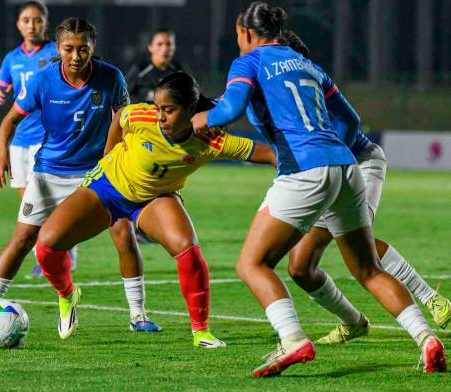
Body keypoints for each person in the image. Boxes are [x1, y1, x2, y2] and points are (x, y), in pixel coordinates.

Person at [191, 1, 446, 376]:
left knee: (252, 264)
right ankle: (427, 339)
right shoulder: (307, 64)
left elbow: (230, 110)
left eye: (237, 35)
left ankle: (293, 339)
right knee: (368, 269)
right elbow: (352, 120)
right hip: (345, 166)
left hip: (304, 170)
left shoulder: (248, 61)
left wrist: (201, 119)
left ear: (245, 32)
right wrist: (328, 150)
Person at [28, 72, 277, 347]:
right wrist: (108, 155)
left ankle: (201, 332)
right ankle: (67, 294)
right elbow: (119, 117)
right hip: (107, 188)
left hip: (155, 198)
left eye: (169, 110)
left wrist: (299, 173)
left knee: (187, 250)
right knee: (47, 246)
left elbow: (269, 154)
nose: (160, 116)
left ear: (191, 109)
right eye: (158, 108)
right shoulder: (141, 116)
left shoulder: (210, 139)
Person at [0, 17, 161, 334]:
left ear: (92, 47)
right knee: (22, 239)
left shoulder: (111, 77)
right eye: (69, 48)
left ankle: (138, 315)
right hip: (50, 172)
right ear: (58, 48)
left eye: (83, 49)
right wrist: (2, 156)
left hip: (98, 173)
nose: (75, 56)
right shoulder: (42, 80)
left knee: (123, 235)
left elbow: (124, 122)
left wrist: (123, 162)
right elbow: (9, 120)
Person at [279, 30, 451, 344]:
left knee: (360, 243)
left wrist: (326, 160)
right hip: (326, 174)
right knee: (300, 266)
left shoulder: (311, 87)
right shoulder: (280, 93)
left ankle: (431, 299)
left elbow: (349, 124)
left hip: (360, 163)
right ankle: (353, 322)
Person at [0, 1, 76, 278]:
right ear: (18, 25)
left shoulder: (55, 52)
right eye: (26, 20)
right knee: (28, 201)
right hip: (20, 140)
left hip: (46, 137)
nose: (32, 25)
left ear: (45, 23)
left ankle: (53, 254)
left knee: (38, 203)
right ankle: (61, 248)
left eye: (37, 20)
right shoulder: (12, 58)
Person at [125, 29, 188, 103]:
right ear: (150, 47)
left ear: (174, 47)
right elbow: (122, 97)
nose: (165, 48)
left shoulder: (180, 70)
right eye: (159, 44)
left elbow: (192, 98)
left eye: (169, 44)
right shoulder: (140, 70)